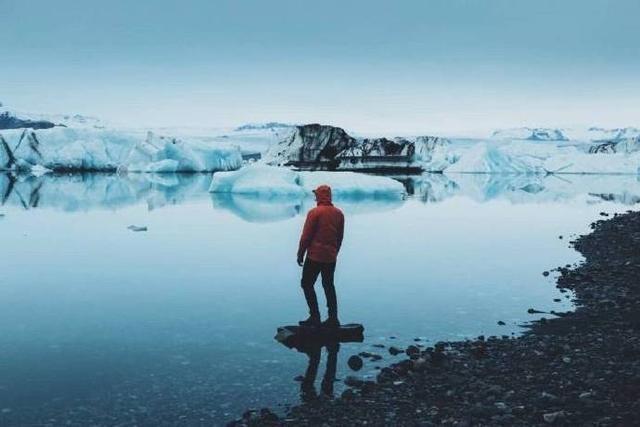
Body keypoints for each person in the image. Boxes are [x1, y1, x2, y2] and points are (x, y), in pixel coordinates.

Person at [297, 185, 345, 328]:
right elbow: (340, 237)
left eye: (316, 195)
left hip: (314, 257)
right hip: (330, 257)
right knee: (328, 285)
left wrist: (300, 253)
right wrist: (335, 252)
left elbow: (306, 237)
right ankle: (333, 318)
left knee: (306, 283)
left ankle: (315, 316)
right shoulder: (339, 214)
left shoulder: (314, 213)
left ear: (319, 196)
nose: (315, 197)